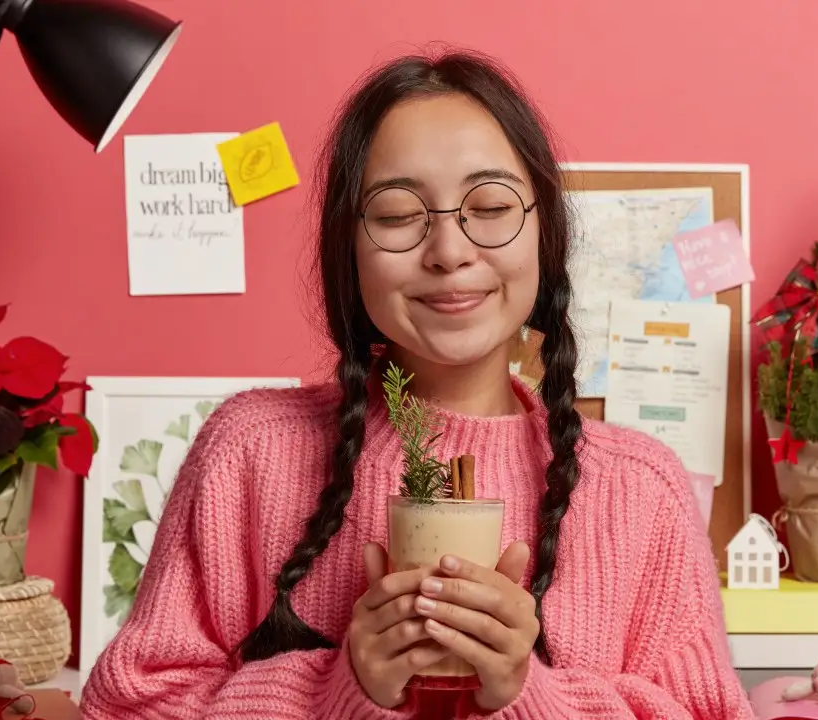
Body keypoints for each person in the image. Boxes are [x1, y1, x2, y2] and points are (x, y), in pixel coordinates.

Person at [80, 49, 755, 719]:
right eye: (399, 215)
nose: (449, 252)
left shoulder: (641, 491)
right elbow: (126, 707)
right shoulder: (249, 454)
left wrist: (529, 697)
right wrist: (339, 692)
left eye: (491, 206)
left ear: (545, 233)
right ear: (348, 248)